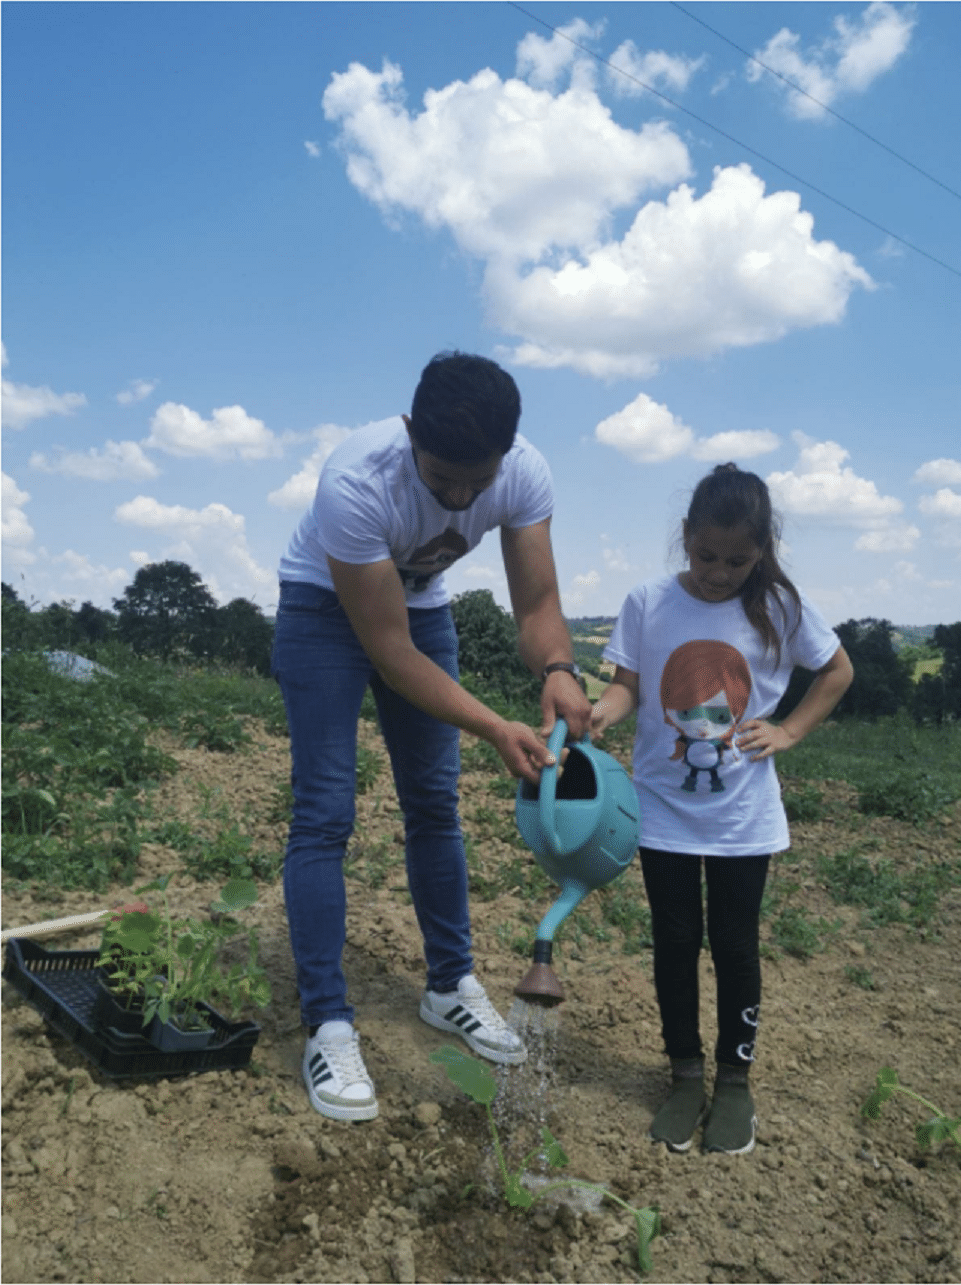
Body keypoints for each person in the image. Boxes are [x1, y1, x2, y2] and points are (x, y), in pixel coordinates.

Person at [271, 351, 591, 1122]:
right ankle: (328, 1021)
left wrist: (556, 665)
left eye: (473, 481)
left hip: (421, 607)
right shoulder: (355, 482)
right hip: (322, 609)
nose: (455, 496)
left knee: (434, 805)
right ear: (410, 430)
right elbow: (389, 652)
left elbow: (538, 597)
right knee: (325, 812)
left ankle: (449, 985)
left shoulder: (521, 473)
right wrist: (490, 723)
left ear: (506, 456)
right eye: (440, 476)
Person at [590, 463, 853, 1155]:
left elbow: (836, 670)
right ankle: (683, 1074)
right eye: (706, 555)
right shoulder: (647, 601)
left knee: (735, 947)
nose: (717, 572)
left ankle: (734, 1083)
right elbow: (625, 688)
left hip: (743, 820)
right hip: (663, 812)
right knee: (675, 942)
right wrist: (601, 714)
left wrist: (789, 730)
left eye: (737, 560)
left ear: (761, 549)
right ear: (685, 538)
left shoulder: (778, 606)